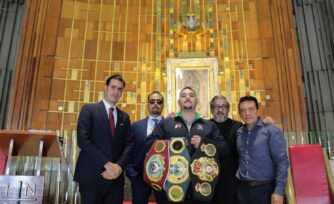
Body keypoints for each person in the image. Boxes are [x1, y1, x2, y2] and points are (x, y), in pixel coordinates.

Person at [145, 87, 229, 203]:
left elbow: (225, 149)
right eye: (183, 95)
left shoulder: (209, 125)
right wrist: (172, 145)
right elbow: (148, 144)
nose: (187, 97)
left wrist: (204, 144)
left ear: (196, 101)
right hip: (173, 188)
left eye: (191, 95)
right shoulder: (167, 123)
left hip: (201, 190)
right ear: (179, 101)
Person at [74, 74, 134, 204]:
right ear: (106, 88)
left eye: (119, 89)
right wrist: (106, 165)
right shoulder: (89, 110)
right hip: (91, 176)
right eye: (113, 87)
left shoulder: (125, 117)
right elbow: (83, 140)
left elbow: (129, 145)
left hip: (116, 179)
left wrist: (118, 166)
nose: (116, 91)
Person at [236, 96, 289, 204]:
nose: (247, 113)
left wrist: (279, 191)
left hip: (265, 190)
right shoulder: (239, 132)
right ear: (239, 113)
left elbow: (282, 162)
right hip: (242, 190)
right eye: (243, 110)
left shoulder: (271, 130)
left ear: (257, 110)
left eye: (251, 109)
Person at [126, 91, 168, 204]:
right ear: (148, 104)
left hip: (163, 177)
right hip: (139, 176)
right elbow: (128, 149)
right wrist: (131, 172)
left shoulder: (169, 126)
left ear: (163, 105)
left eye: (159, 102)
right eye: (152, 101)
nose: (156, 104)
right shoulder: (136, 126)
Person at [209, 95, 243, 204]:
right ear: (211, 109)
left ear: (228, 109)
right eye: (216, 107)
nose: (220, 110)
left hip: (231, 179)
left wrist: (266, 123)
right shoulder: (206, 126)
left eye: (223, 106)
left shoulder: (238, 126)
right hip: (210, 178)